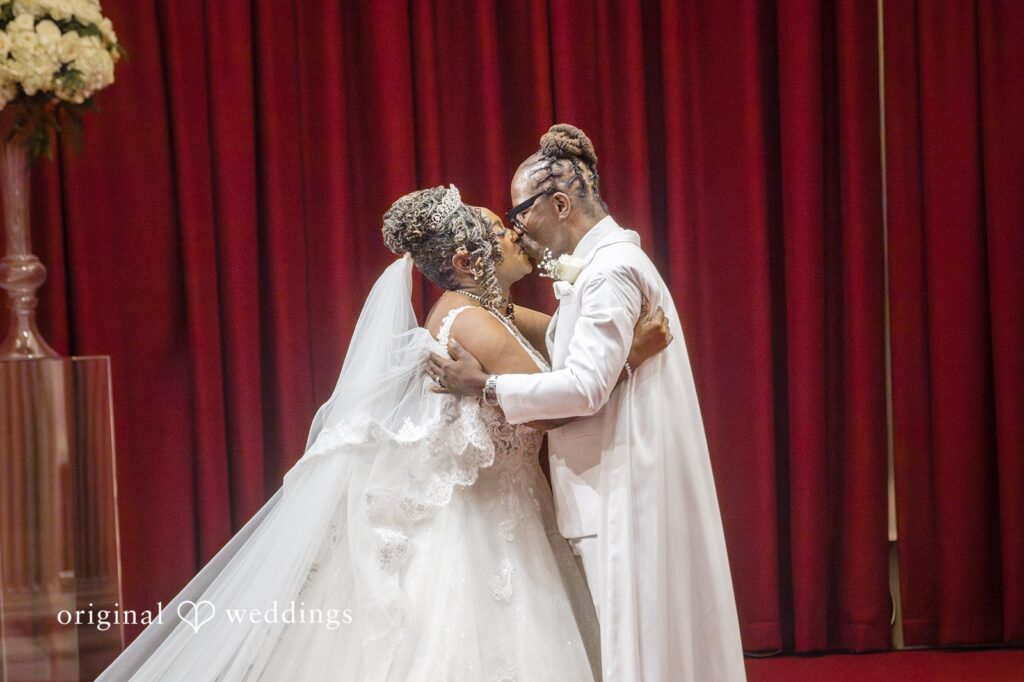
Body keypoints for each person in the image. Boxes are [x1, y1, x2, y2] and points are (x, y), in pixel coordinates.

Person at [96, 184, 671, 681]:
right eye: (500, 231)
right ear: (468, 261)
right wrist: (628, 359)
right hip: (483, 530)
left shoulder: (489, 311)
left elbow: (563, 344)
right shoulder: (471, 321)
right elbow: (553, 407)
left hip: (511, 512)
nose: (515, 232)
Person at [428, 125, 747, 681]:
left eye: (520, 212)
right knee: (643, 646)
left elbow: (582, 388)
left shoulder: (607, 273)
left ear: (559, 204)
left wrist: (486, 386)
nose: (518, 227)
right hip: (612, 483)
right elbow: (564, 343)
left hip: (620, 489)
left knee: (637, 654)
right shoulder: (604, 267)